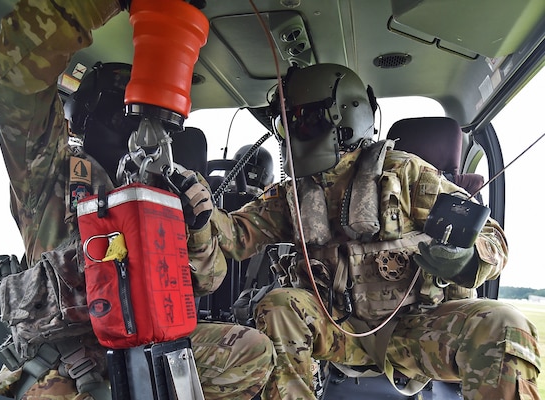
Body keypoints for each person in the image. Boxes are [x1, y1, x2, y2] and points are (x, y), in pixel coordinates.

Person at [190, 63, 541, 399]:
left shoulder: (407, 174)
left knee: (505, 325)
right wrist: (202, 212)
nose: (293, 134)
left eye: (305, 121)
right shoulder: (294, 194)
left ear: (346, 117)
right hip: (336, 329)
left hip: (414, 329)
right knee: (280, 305)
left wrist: (467, 258)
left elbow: (493, 238)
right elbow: (236, 236)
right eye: (286, 124)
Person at [0, 0, 274, 399]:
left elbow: (206, 282)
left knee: (251, 352)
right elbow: (13, 82)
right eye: (126, 114)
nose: (140, 133)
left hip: (145, 344)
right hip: (67, 356)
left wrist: (199, 228)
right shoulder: (49, 171)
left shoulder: (162, 187)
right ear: (84, 117)